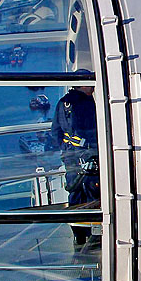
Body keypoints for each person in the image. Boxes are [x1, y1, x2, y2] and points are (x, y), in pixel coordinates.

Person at [49, 82, 99, 245]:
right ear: (83, 86)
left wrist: (66, 148)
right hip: (88, 154)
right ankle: (95, 232)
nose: (93, 89)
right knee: (93, 193)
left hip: (71, 156)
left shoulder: (63, 103)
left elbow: (56, 131)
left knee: (75, 193)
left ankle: (78, 232)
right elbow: (92, 129)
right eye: (91, 85)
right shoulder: (85, 103)